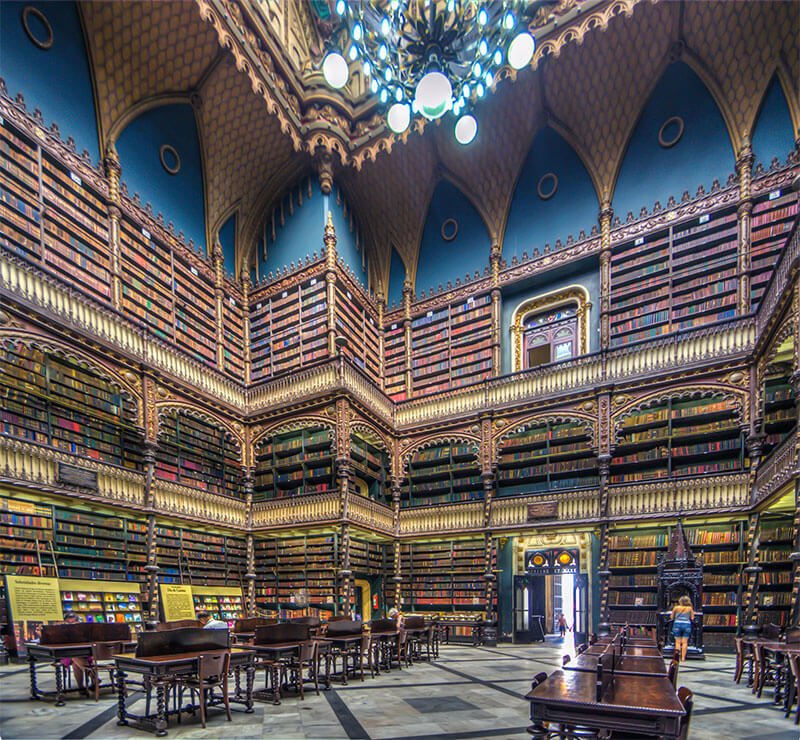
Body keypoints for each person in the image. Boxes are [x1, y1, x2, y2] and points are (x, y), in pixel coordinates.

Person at [62, 612, 91, 693]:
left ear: (78, 622)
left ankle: (80, 687)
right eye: (68, 623)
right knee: (74, 656)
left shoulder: (83, 630)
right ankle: (93, 676)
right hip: (66, 654)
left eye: (73, 622)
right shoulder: (62, 630)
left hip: (83, 653)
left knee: (75, 661)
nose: (71, 625)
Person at [670, 594, 694, 661]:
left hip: (677, 624)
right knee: (685, 642)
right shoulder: (690, 608)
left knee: (677, 642)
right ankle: (683, 658)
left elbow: (671, 617)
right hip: (687, 625)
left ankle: (677, 657)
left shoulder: (676, 608)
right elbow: (692, 617)